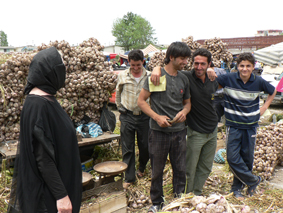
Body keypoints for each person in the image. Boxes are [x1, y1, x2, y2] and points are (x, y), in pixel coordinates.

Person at [8, 47, 82, 213]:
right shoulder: (38, 106)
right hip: (49, 198)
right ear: (51, 72)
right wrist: (61, 196)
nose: (65, 72)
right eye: (62, 67)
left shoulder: (44, 99)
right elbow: (43, 158)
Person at [207, 52, 276, 199]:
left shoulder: (258, 81)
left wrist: (264, 108)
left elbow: (273, 91)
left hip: (251, 126)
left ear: (253, 67)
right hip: (233, 125)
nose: (244, 69)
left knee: (247, 158)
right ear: (237, 66)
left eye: (248, 66)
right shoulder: (229, 78)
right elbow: (212, 84)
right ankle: (253, 180)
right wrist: (209, 70)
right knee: (232, 158)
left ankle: (237, 188)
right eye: (242, 66)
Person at [151, 48, 219, 196]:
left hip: (212, 131)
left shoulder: (214, 79)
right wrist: (156, 68)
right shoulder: (186, 76)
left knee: (206, 166)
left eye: (203, 64)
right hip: (195, 131)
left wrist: (213, 70)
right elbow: (167, 69)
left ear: (209, 64)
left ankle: (197, 192)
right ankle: (186, 195)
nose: (199, 67)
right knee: (189, 168)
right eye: (196, 63)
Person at [138, 41, 191, 213]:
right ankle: (157, 202)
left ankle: (179, 199)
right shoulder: (157, 76)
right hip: (158, 132)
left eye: (186, 59)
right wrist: (156, 116)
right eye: (183, 59)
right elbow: (141, 102)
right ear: (172, 57)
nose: (186, 62)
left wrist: (185, 111)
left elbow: (187, 103)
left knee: (180, 168)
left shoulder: (184, 78)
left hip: (179, 132)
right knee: (157, 170)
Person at [115, 49, 151, 189]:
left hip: (145, 117)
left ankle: (141, 167)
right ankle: (129, 177)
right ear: (128, 62)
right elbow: (118, 92)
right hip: (127, 116)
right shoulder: (123, 75)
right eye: (133, 65)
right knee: (127, 148)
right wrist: (119, 107)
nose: (136, 68)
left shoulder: (149, 76)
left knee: (145, 146)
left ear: (143, 62)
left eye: (138, 65)